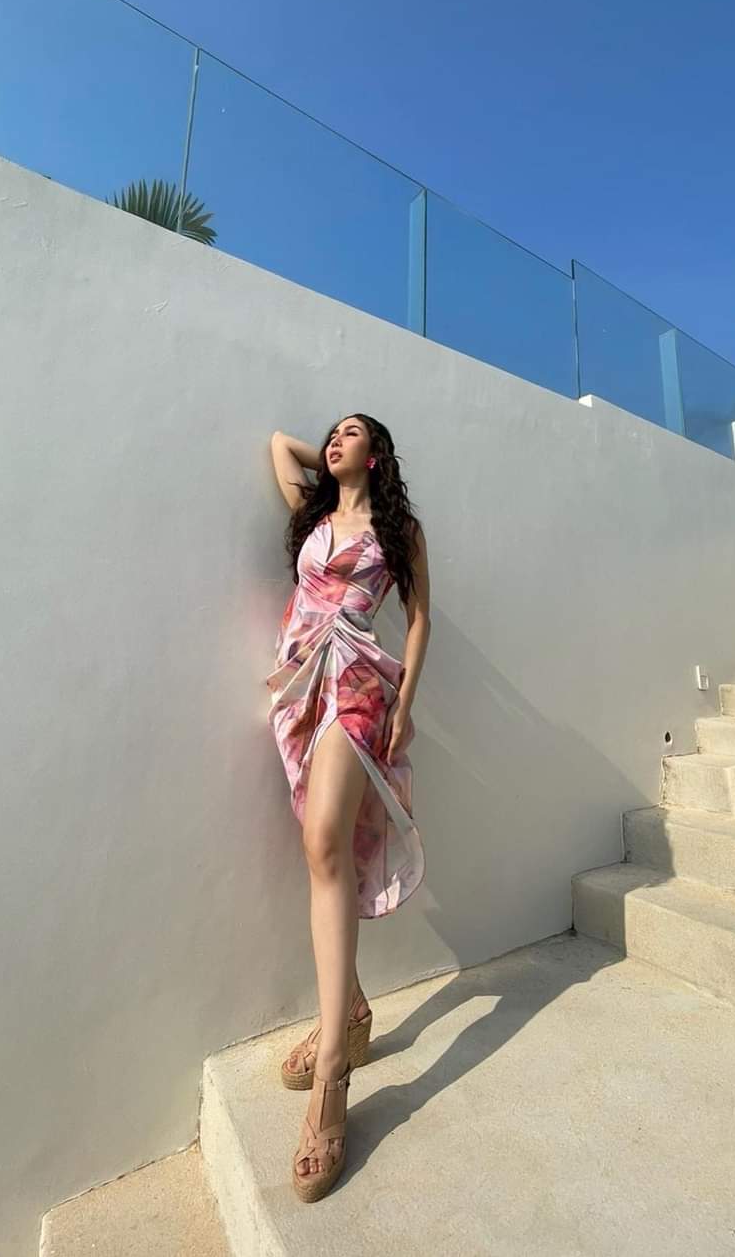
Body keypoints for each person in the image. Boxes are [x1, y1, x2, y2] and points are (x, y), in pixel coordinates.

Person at [267, 414, 431, 1201]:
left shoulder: (401, 532)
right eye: (331, 434)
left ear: (379, 452)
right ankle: (353, 1008)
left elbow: (422, 616)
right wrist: (334, 462)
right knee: (319, 845)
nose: (333, 441)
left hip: (361, 680)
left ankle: (334, 1068)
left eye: (351, 433)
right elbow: (279, 445)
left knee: (325, 838)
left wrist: (408, 702)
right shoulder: (313, 513)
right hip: (300, 681)